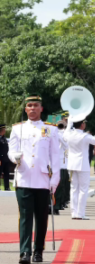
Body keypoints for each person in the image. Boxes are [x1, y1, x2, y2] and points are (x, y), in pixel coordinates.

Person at [8, 94, 60, 264]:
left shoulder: (50, 129)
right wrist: (13, 156)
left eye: (35, 105)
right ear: (26, 109)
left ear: (41, 108)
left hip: (43, 180)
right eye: (29, 105)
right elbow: (11, 150)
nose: (32, 108)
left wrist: (55, 181)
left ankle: (39, 250)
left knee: (41, 216)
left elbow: (55, 157)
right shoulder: (18, 129)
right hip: (23, 178)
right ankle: (25, 252)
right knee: (25, 216)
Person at [64, 118, 95, 220]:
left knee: (74, 188)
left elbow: (66, 131)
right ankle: (80, 213)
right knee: (83, 190)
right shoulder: (85, 136)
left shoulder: (68, 134)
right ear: (82, 125)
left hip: (72, 164)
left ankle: (74, 212)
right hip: (82, 165)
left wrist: (70, 121)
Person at [0, 124, 10, 190]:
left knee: (7, 173)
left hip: (6, 159)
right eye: (4, 130)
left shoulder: (5, 138)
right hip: (0, 159)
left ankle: (7, 187)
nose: (5, 130)